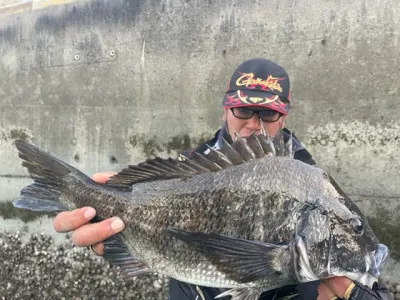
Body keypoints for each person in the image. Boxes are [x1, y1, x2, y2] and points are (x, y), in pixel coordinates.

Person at [53, 58, 392, 300]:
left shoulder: (312, 186)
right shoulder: (185, 170)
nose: (254, 124)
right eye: (243, 110)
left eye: (268, 113)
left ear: (283, 115)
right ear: (226, 109)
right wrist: (105, 232)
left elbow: (342, 267)